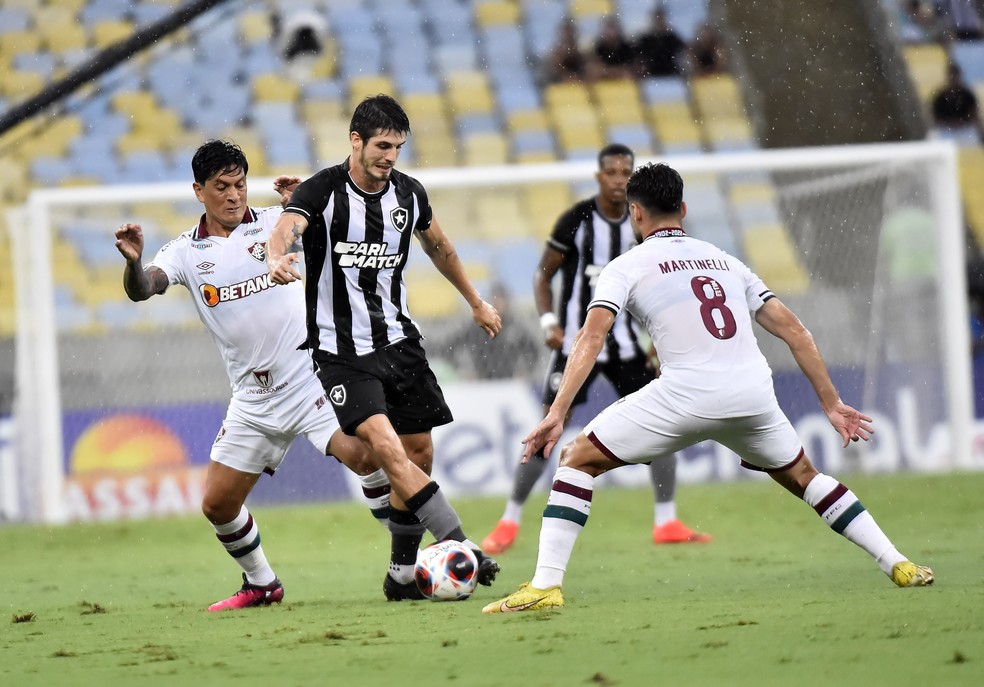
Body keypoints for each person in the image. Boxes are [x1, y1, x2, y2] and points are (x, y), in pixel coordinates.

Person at [484, 162, 935, 614]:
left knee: (576, 459)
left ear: (635, 214)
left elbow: (592, 336)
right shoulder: (727, 261)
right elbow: (795, 331)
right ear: (682, 208)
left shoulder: (626, 267)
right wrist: (831, 404)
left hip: (685, 395)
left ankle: (545, 586)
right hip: (752, 396)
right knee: (805, 478)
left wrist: (558, 411)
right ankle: (897, 561)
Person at [114, 140, 393, 611]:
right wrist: (133, 263)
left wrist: (303, 204)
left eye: (240, 184)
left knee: (366, 457)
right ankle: (263, 583)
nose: (233, 195)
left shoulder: (274, 223)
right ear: (199, 191)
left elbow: (336, 230)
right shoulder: (184, 250)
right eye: (221, 187)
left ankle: (415, 558)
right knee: (217, 505)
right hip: (252, 398)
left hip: (308, 378)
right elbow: (144, 290)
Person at [266, 94, 503, 601]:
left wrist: (476, 302)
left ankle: (400, 575)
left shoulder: (409, 195)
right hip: (340, 352)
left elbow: (440, 247)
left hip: (399, 341)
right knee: (389, 450)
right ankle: (461, 545)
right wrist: (276, 257)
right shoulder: (323, 190)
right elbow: (288, 226)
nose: (390, 156)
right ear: (355, 141)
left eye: (397, 146)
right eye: (381, 145)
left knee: (419, 451)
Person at [481, 144, 710, 556]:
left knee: (665, 423)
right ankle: (509, 520)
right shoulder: (577, 220)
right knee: (550, 427)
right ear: (599, 177)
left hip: (626, 347)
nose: (620, 179)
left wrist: (660, 340)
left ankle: (667, 520)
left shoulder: (647, 225)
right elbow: (543, 274)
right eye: (612, 172)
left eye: (627, 172)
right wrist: (549, 322)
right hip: (578, 344)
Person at [443, 281, 543, 382]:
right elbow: (450, 347)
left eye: (500, 299)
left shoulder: (515, 328)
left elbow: (533, 351)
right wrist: (463, 369)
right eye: (494, 299)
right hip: (481, 382)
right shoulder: (476, 326)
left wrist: (525, 370)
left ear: (507, 302)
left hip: (509, 382)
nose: (497, 303)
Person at [931, 63, 982, 138]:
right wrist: (949, 123)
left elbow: (974, 115)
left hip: (965, 130)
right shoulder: (940, 97)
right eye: (951, 76)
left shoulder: (967, 95)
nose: (953, 79)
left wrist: (961, 122)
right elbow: (935, 117)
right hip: (946, 130)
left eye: (955, 76)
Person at [634, 8, 688, 78]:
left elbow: (685, 51)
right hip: (650, 75)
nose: (659, 22)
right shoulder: (645, 39)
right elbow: (638, 58)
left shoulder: (672, 38)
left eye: (661, 20)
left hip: (671, 73)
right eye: (657, 20)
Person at [587, 16, 636, 81]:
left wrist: (608, 72)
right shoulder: (598, 49)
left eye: (613, 30)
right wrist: (615, 72)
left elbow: (630, 71)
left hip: (624, 86)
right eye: (608, 30)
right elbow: (595, 70)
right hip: (602, 85)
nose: (611, 34)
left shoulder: (627, 49)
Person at [544, 17, 588, 84]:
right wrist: (568, 77)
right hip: (561, 87)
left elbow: (590, 70)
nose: (567, 36)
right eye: (565, 33)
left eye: (570, 33)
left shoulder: (582, 52)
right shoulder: (555, 54)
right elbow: (555, 72)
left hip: (580, 85)